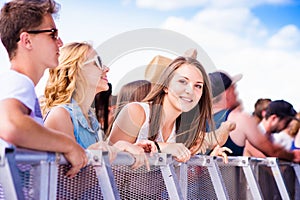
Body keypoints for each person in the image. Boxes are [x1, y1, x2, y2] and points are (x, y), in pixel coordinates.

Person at [0, 0, 87, 178]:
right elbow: (11, 125)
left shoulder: (19, 85)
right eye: (52, 34)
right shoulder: (18, 81)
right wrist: (69, 144)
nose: (60, 42)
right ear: (27, 40)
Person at [41, 42, 156, 169]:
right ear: (77, 71)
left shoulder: (90, 119)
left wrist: (124, 151)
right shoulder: (61, 115)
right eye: (97, 63)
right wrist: (115, 149)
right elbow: (66, 182)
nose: (106, 68)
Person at [108, 56, 233, 163]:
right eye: (183, 81)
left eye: (198, 86)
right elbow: (108, 162)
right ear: (166, 86)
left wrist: (209, 161)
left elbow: (177, 178)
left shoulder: (185, 130)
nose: (190, 91)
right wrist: (160, 147)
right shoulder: (136, 112)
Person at [208, 70, 300, 162]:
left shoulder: (196, 122)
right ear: (227, 93)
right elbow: (273, 151)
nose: (236, 93)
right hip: (228, 176)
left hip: (202, 176)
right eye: (234, 88)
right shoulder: (239, 119)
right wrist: (294, 155)